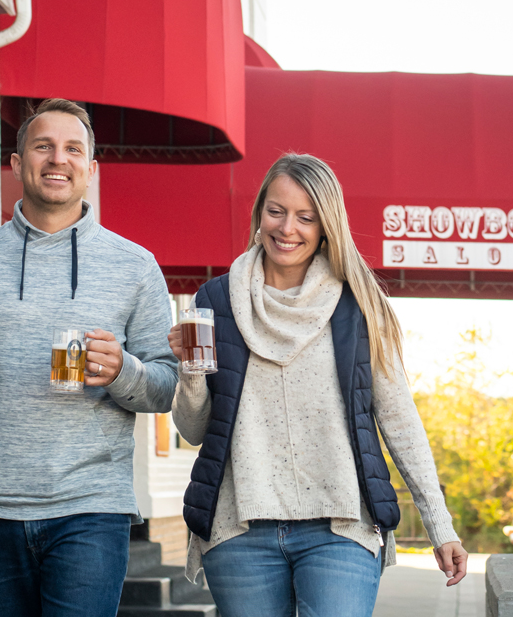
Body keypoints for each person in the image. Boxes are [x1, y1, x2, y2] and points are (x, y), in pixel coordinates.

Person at [0, 98, 178, 617]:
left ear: (91, 170)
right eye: (43, 146)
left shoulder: (135, 267)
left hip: (92, 511)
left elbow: (166, 387)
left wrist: (123, 371)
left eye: (73, 149)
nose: (58, 159)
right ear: (16, 162)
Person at [169, 153, 467, 617]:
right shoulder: (215, 301)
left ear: (326, 226)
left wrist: (440, 526)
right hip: (239, 530)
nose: (288, 228)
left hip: (341, 528)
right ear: (259, 213)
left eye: (306, 217)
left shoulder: (359, 305)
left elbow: (399, 421)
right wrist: (190, 372)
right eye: (276, 211)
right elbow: (194, 429)